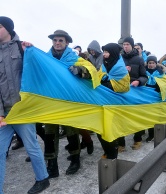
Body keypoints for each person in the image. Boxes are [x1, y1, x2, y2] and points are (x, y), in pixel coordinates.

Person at [0, 16, 49, 194]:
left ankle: (42, 179)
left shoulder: (23, 48)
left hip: (24, 110)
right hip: (5, 113)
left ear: (8, 29)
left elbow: (39, 74)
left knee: (32, 147)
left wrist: (32, 51)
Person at [69, 43, 130, 159]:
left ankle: (112, 155)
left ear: (113, 53)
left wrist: (106, 83)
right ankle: (107, 151)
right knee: (101, 129)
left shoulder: (121, 68)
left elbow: (124, 86)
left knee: (110, 129)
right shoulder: (105, 65)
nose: (105, 54)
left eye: (107, 52)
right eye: (104, 52)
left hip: (114, 104)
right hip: (102, 102)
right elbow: (98, 75)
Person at [44, 30, 81, 177]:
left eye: (60, 40)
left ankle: (75, 160)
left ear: (66, 43)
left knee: (71, 132)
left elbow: (91, 71)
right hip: (51, 101)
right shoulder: (45, 58)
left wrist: (79, 70)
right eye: (55, 40)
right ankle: (52, 165)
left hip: (68, 101)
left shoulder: (74, 58)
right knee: (49, 134)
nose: (57, 43)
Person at [119, 37, 148, 151]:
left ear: (131, 46)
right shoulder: (119, 59)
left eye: (127, 44)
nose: (125, 46)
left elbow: (144, 76)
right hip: (122, 91)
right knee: (120, 117)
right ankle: (121, 144)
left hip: (135, 91)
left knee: (135, 117)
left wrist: (139, 81)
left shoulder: (139, 59)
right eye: (124, 44)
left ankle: (138, 139)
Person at [143, 55, 166, 142]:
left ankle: (153, 134)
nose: (151, 65)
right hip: (145, 97)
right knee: (147, 116)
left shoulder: (160, 73)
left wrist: (158, 87)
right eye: (149, 63)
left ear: (156, 63)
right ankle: (149, 133)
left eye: (153, 63)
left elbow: (164, 84)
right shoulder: (143, 71)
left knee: (154, 116)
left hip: (156, 98)